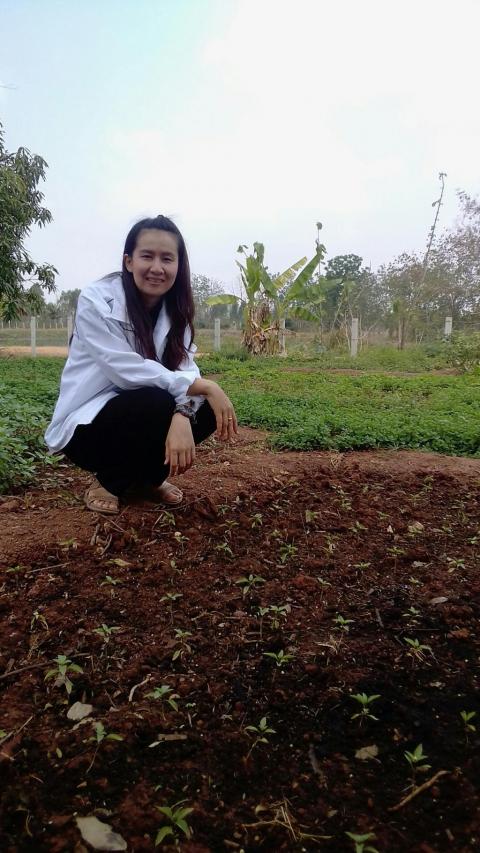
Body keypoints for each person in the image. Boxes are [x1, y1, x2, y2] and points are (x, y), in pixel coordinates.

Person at [45, 215, 238, 514]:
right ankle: (109, 482)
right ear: (129, 261)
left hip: (146, 410)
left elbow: (186, 370)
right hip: (89, 429)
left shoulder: (176, 311)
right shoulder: (97, 301)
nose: (157, 268)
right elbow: (126, 370)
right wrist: (201, 387)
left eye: (167, 259)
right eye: (147, 256)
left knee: (205, 408)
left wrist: (183, 413)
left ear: (178, 266)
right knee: (156, 400)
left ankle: (149, 479)